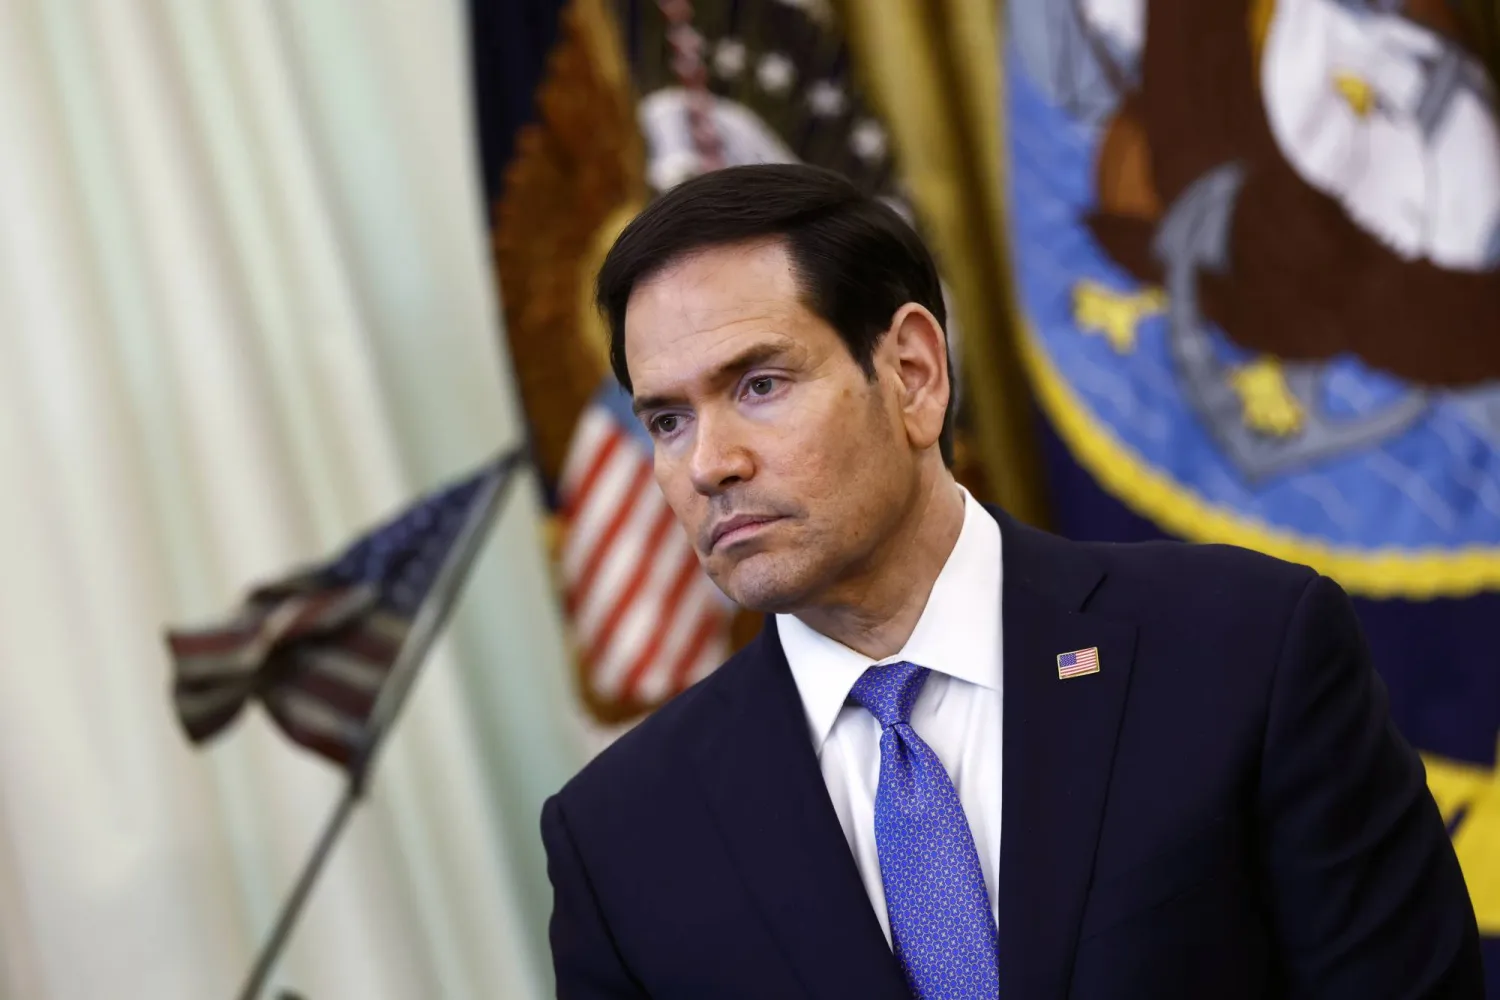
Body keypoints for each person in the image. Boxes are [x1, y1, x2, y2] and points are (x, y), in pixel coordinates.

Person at [539, 163, 1482, 999]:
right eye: (666, 420)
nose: (709, 463)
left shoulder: (1245, 652)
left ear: (913, 374)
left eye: (760, 385)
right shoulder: (619, 841)